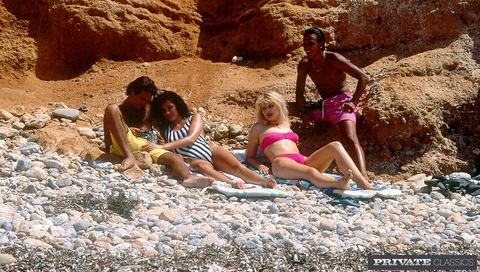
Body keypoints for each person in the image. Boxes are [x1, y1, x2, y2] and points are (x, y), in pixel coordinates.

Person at [142, 90, 277, 189]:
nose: (168, 113)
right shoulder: (164, 128)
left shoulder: (194, 117)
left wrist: (162, 147)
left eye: (170, 108)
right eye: (164, 110)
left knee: (237, 167)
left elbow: (191, 139)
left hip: (209, 149)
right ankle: (233, 184)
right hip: (193, 159)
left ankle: (263, 182)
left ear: (177, 105)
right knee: (203, 167)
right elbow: (146, 121)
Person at [247, 91, 374, 190]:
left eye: (270, 106)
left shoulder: (286, 125)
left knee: (335, 145)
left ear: (279, 106)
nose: (267, 111)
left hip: (301, 160)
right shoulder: (258, 127)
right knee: (310, 172)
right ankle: (338, 184)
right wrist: (260, 165)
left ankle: (363, 183)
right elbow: (250, 156)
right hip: (281, 163)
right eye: (263, 108)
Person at [103, 76, 214, 188]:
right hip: (126, 143)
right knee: (111, 108)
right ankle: (130, 157)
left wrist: (163, 140)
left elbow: (168, 119)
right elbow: (107, 140)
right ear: (132, 92)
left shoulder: (149, 106)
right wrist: (123, 130)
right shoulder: (117, 110)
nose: (144, 103)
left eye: (148, 100)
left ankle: (188, 178)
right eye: (142, 99)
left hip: (148, 145)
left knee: (176, 158)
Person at [295, 26, 371, 182]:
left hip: (342, 103)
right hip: (324, 106)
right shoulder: (304, 64)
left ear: (321, 44)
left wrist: (353, 101)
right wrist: (303, 112)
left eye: (311, 43)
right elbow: (299, 93)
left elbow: (363, 77)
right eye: (305, 44)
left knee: (350, 138)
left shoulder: (334, 59)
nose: (307, 47)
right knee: (282, 107)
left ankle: (363, 175)